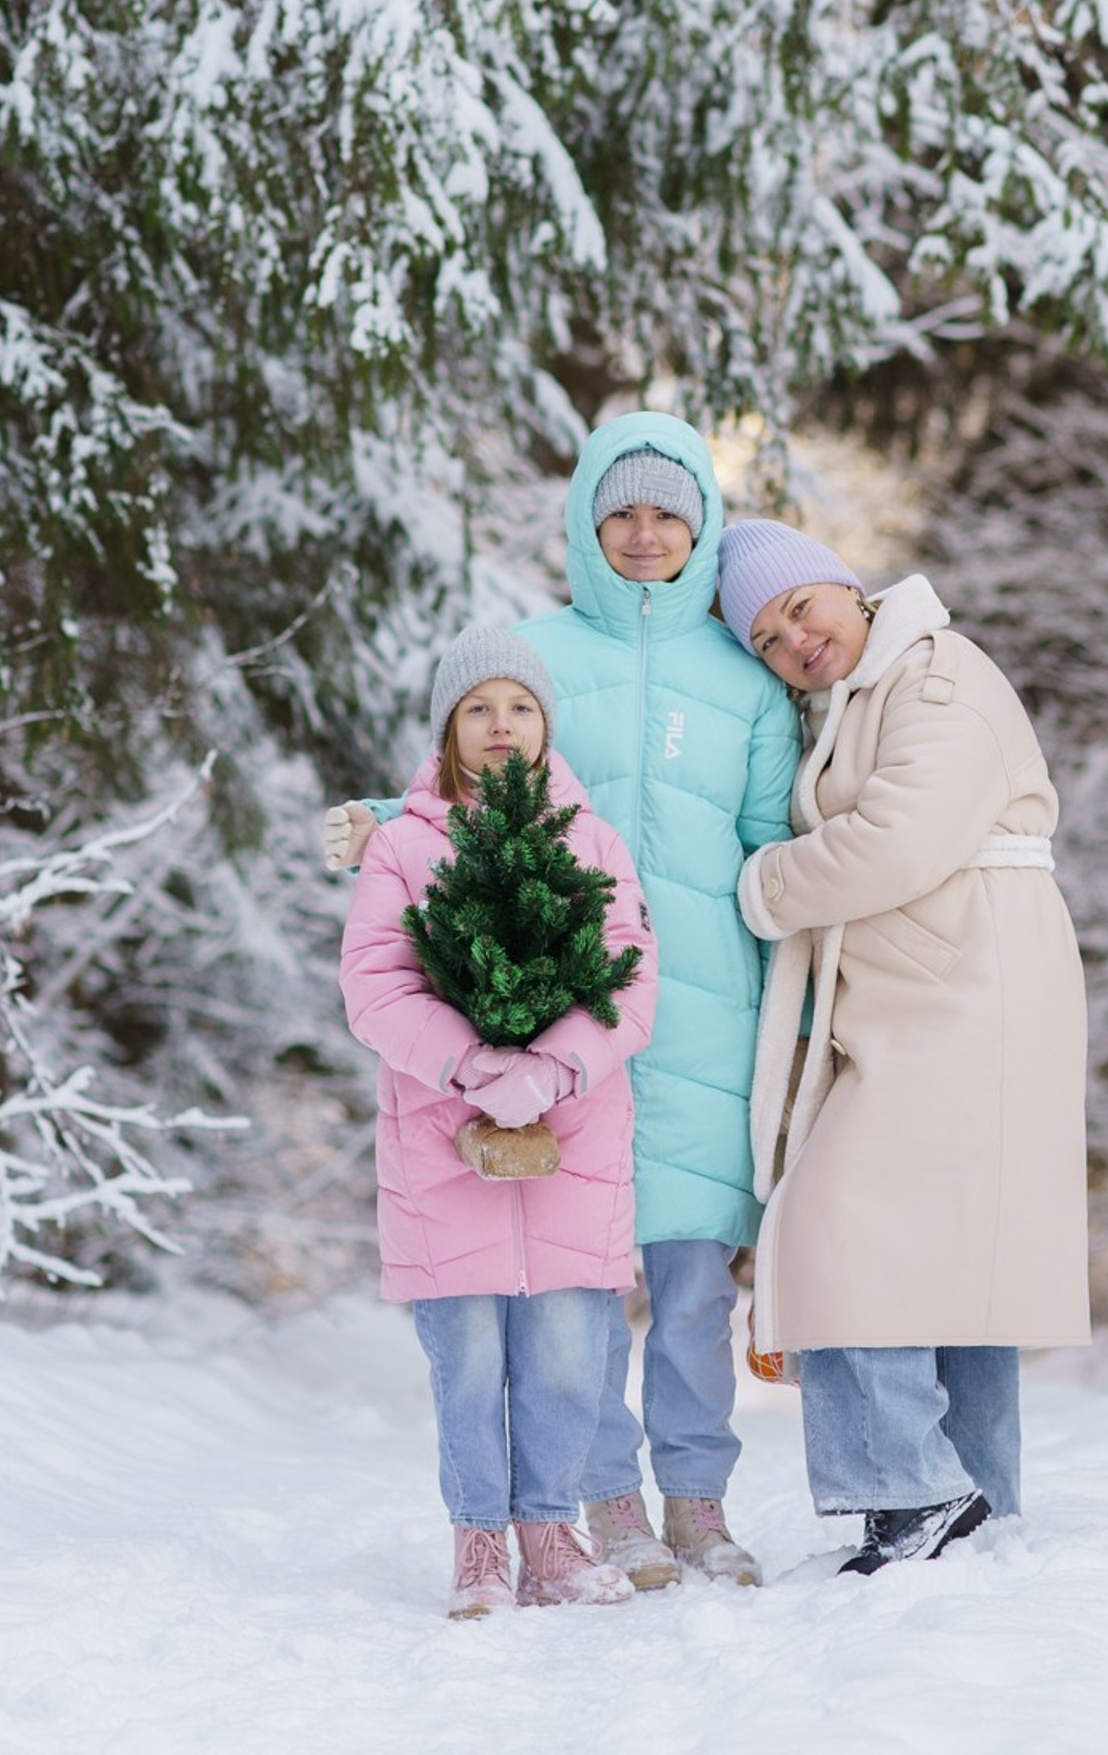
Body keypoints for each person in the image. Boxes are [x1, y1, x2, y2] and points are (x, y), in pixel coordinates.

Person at [324, 415, 796, 1587]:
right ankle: (598, 1507)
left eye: (668, 512)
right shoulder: (529, 651)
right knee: (571, 1284)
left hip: (697, 1017)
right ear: (586, 521)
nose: (644, 534)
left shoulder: (744, 676)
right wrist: (376, 824)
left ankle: (696, 1503)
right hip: (532, 1026)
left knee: (689, 1282)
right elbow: (462, 789)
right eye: (620, 511)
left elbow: (777, 843)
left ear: (702, 525)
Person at [716, 520, 1091, 1576]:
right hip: (927, 986)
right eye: (766, 636)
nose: (794, 638)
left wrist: (762, 888)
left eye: (800, 606)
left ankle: (911, 1488)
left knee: (839, 1223)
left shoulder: (937, 674)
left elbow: (900, 838)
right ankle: (978, 1499)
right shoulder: (860, 692)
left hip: (970, 980)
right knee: (945, 1250)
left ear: (848, 585)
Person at [341, 627, 658, 1619]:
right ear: (446, 730)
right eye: (476, 708)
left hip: (573, 1142)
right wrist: (474, 1065)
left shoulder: (591, 840)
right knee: (468, 1361)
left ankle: (550, 1537)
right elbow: (376, 986)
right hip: (444, 1144)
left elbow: (631, 979)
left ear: (546, 725)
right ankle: (479, 1540)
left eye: (518, 706)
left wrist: (553, 1067)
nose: (499, 725)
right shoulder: (402, 846)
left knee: (569, 1356)